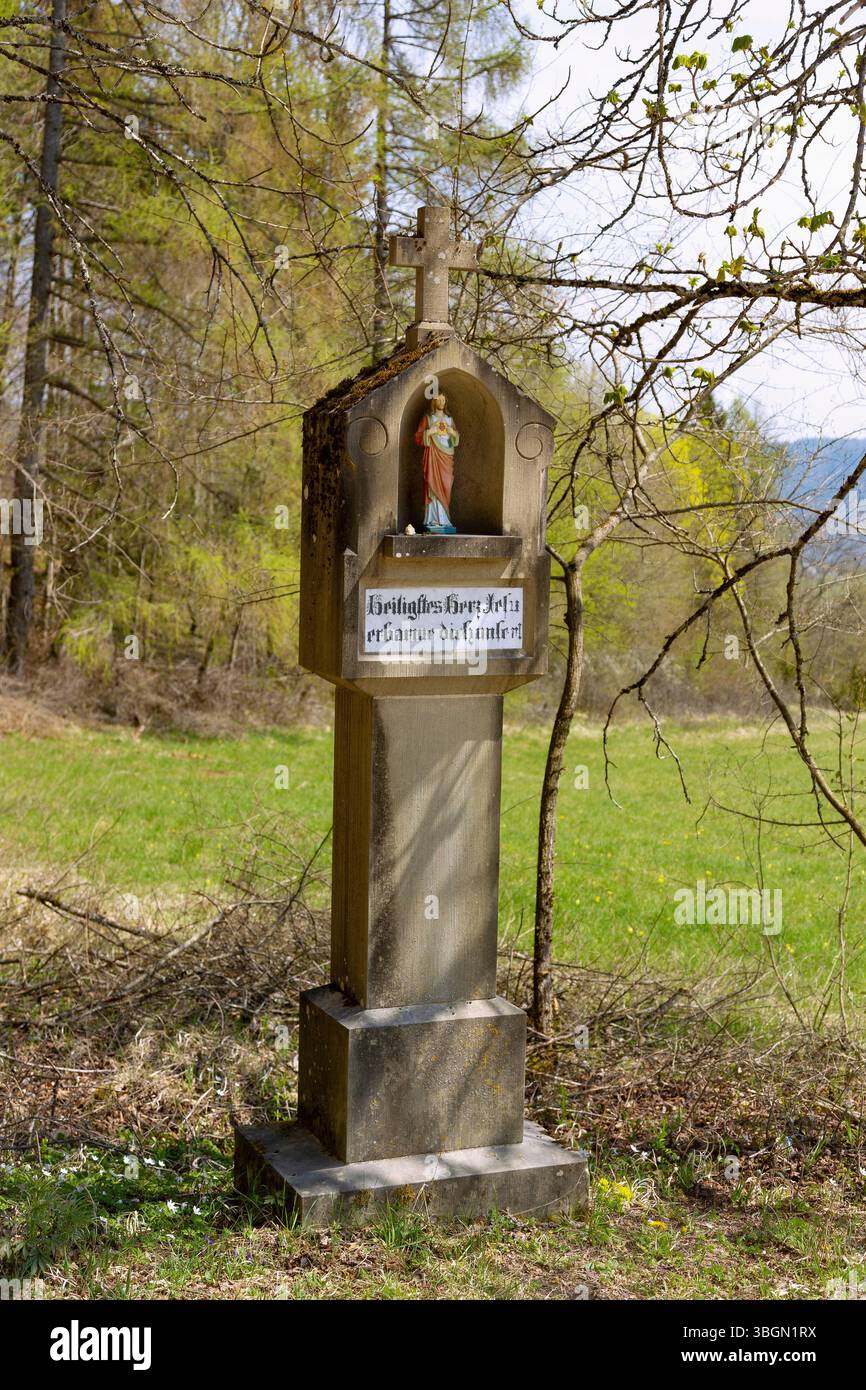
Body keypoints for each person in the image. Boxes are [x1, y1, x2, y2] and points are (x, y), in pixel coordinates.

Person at [415, 393, 458, 533]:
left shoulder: (449, 419)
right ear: (434, 401)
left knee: (446, 485)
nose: (441, 402)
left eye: (444, 399)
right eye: (439, 399)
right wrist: (428, 432)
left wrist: (452, 433)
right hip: (433, 456)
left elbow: (456, 438)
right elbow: (418, 437)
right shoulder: (428, 418)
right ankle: (433, 520)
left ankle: (445, 520)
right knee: (433, 485)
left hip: (447, 457)